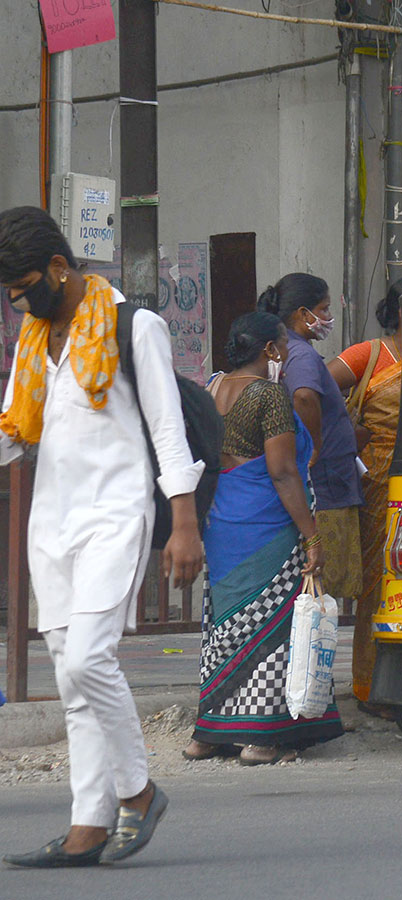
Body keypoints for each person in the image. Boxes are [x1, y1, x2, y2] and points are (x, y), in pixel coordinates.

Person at [0, 206, 203, 867]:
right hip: (51, 525)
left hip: (115, 517)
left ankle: (138, 792)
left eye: (24, 286)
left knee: (90, 660)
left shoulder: (132, 326)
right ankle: (87, 824)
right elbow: (15, 433)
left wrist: (183, 520)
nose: (18, 302)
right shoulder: (34, 341)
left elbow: (167, 427)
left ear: (60, 268)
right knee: (70, 677)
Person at [184, 312, 343, 764]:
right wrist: (312, 536)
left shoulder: (211, 388)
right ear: (269, 351)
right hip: (266, 522)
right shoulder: (269, 396)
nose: (285, 358)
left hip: (220, 520)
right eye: (284, 350)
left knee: (223, 621)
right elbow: (282, 470)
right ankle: (261, 739)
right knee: (273, 624)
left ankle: (209, 734)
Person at [257, 274, 364, 606]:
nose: (328, 318)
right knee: (320, 589)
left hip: (326, 480)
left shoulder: (285, 348)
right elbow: (304, 396)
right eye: (324, 309)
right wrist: (313, 444)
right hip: (325, 487)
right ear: (303, 314)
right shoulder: (300, 354)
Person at [329, 281, 402, 709]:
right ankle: (369, 684)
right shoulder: (371, 354)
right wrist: (346, 433)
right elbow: (316, 390)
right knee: (377, 580)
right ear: (400, 312)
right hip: (377, 477)